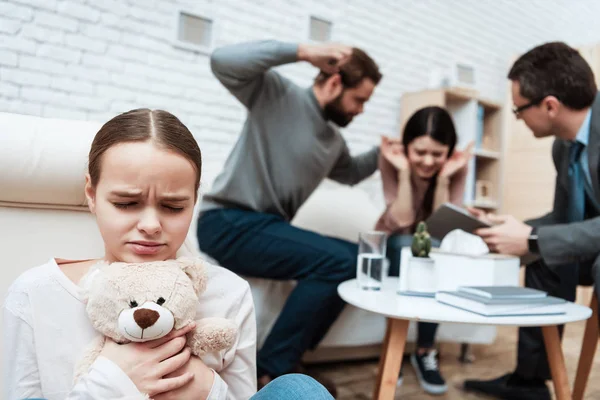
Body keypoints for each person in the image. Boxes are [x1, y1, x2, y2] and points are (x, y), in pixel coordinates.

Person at [2, 108, 333, 400]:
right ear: (91, 194)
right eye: (126, 203)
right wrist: (113, 381)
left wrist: (207, 389)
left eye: (174, 207)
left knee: (300, 390)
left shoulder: (229, 294)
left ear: (193, 200)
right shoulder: (35, 293)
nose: (150, 225)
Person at [196, 39, 382, 395]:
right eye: (359, 100)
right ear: (334, 82)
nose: (360, 110)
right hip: (226, 221)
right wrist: (303, 52)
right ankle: (272, 369)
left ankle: (288, 359)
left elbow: (352, 172)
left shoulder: (333, 141)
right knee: (336, 261)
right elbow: (222, 60)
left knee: (357, 259)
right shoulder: (278, 95)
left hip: (267, 228)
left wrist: (387, 152)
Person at [463, 42, 600, 400]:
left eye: (519, 108)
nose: (518, 117)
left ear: (550, 106)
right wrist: (513, 229)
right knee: (543, 257)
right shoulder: (564, 147)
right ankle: (530, 381)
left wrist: (534, 239)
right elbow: (564, 218)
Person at [378, 106, 473, 394]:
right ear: (406, 147)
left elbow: (439, 230)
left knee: (436, 249)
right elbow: (403, 220)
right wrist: (405, 172)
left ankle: (424, 352)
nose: (428, 161)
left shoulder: (455, 168)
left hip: (433, 246)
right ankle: (393, 350)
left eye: (437, 154)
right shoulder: (392, 162)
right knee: (404, 245)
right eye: (419, 152)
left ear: (448, 152)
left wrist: (444, 179)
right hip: (394, 242)